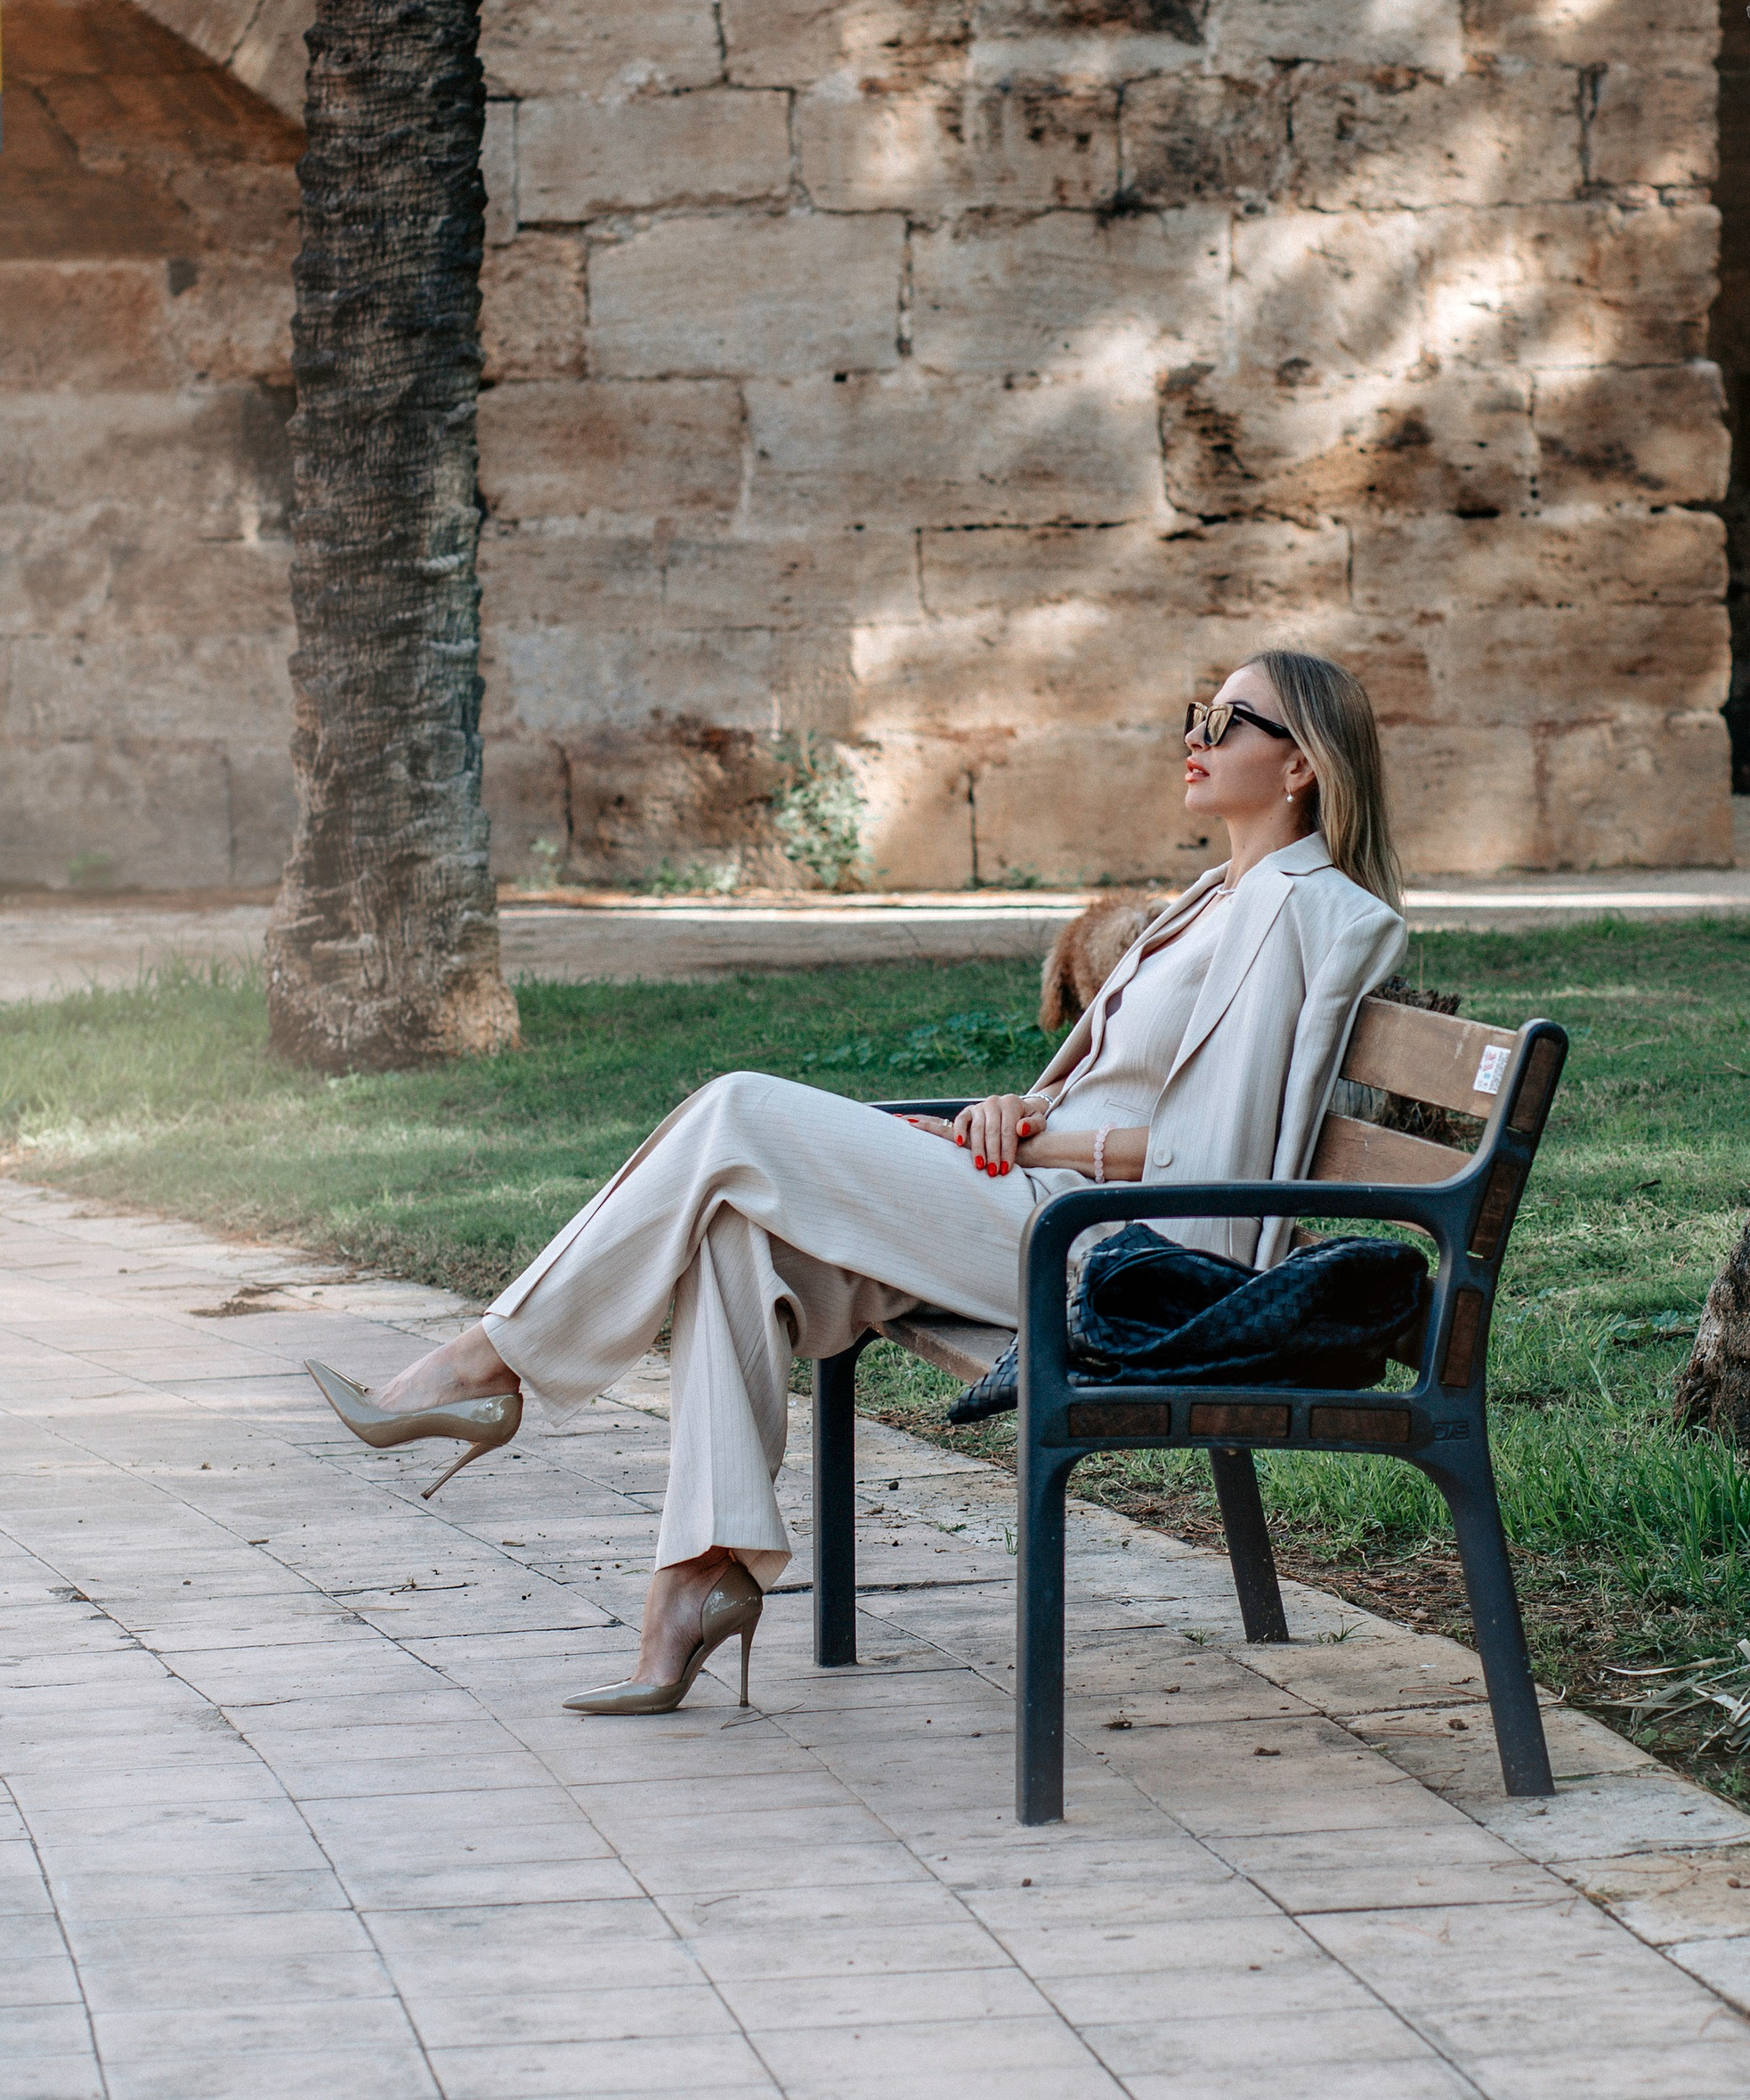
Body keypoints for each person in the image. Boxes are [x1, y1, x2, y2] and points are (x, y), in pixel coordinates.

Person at [306, 650, 1406, 1713]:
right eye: (1194, 712)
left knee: (738, 1107)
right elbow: (1145, 1093)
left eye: (1223, 720)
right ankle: (692, 1586)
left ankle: (480, 1362)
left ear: (1299, 761)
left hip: (1125, 1255)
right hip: (1042, 1201)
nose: (1192, 737)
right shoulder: (1215, 895)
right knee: (735, 1238)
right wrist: (1025, 1110)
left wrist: (1045, 1148)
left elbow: (1224, 1167)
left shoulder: (1309, 910)